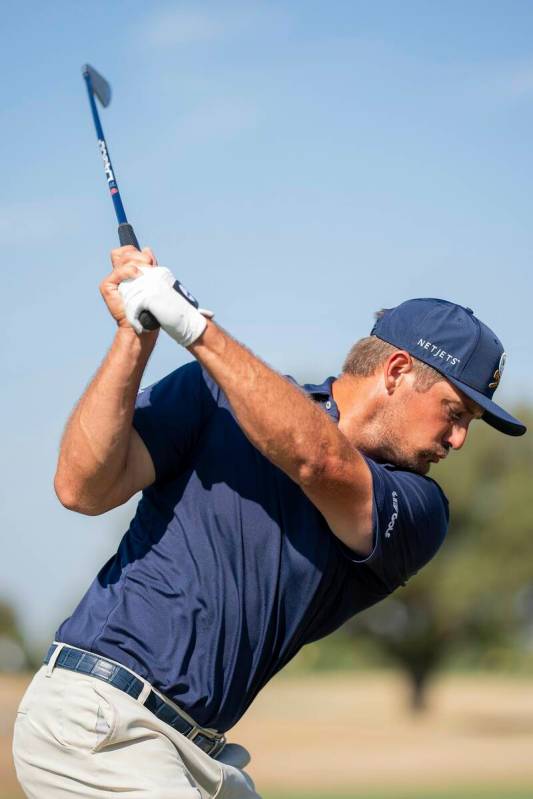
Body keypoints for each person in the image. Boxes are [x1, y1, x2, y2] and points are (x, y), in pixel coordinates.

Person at [13, 246, 526, 799]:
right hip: (102, 720)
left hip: (200, 753)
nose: (458, 441)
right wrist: (135, 336)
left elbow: (319, 460)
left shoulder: (419, 508)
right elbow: (80, 489)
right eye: (455, 413)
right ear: (398, 371)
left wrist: (192, 324)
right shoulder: (213, 396)